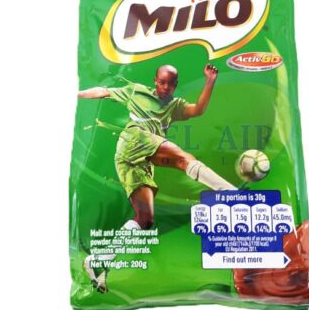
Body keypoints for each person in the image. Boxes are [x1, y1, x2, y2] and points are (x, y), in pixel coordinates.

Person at [78, 64, 236, 292]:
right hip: (133, 141)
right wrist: (76, 94)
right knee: (183, 159)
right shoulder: (137, 91)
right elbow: (103, 91)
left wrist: (210, 81)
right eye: (162, 82)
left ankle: (98, 261)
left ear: (175, 85)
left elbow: (198, 110)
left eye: (170, 84)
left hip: (139, 161)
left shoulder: (174, 105)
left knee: (145, 219)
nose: (165, 87)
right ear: (155, 81)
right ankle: (230, 193)